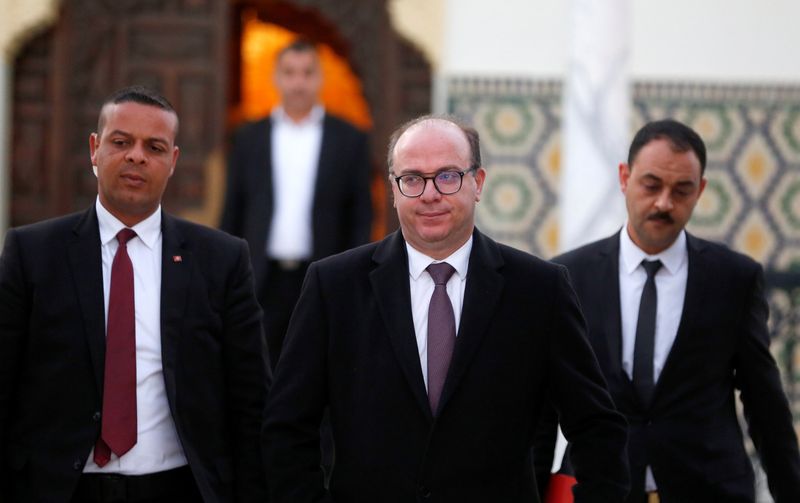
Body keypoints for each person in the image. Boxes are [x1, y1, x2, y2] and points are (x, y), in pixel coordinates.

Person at [262, 115, 630, 502]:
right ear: (393, 188)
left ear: (478, 183)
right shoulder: (333, 286)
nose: (430, 193)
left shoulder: (540, 289)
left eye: (448, 176)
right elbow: (287, 428)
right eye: (412, 179)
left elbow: (596, 427)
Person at [0, 86, 270, 502]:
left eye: (154, 147)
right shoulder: (33, 254)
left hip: (177, 488)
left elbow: (250, 399)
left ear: (173, 161)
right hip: (58, 489)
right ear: (95, 148)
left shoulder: (221, 261)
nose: (136, 156)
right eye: (121, 142)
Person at [537, 119, 800, 502]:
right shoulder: (567, 277)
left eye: (682, 190)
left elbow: (765, 405)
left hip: (709, 490)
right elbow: (541, 407)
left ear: (701, 191)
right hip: (598, 490)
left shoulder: (734, 280)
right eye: (652, 185)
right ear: (624, 178)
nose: (664, 203)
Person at [220, 38, 373, 368]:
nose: (298, 82)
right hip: (262, 278)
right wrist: (227, 274)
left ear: (320, 78)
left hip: (322, 275)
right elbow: (233, 209)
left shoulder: (349, 139)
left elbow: (361, 215)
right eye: (290, 73)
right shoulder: (249, 137)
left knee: (317, 367)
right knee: (257, 370)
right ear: (276, 77)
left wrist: (352, 275)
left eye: (307, 73)